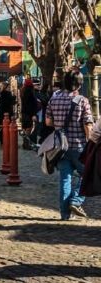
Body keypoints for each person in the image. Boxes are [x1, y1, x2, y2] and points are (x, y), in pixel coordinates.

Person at [46, 71, 94, 220]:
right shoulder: (83, 101)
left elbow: (48, 122)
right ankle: (76, 200)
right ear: (79, 84)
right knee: (89, 175)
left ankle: (65, 214)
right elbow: (88, 125)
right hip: (79, 146)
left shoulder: (54, 99)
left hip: (60, 147)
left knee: (65, 179)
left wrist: (59, 125)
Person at [20, 78, 41, 148]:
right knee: (29, 128)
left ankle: (25, 143)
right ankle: (26, 144)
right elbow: (33, 103)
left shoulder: (23, 91)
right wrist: (33, 114)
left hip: (24, 112)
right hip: (29, 113)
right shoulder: (30, 92)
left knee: (25, 128)